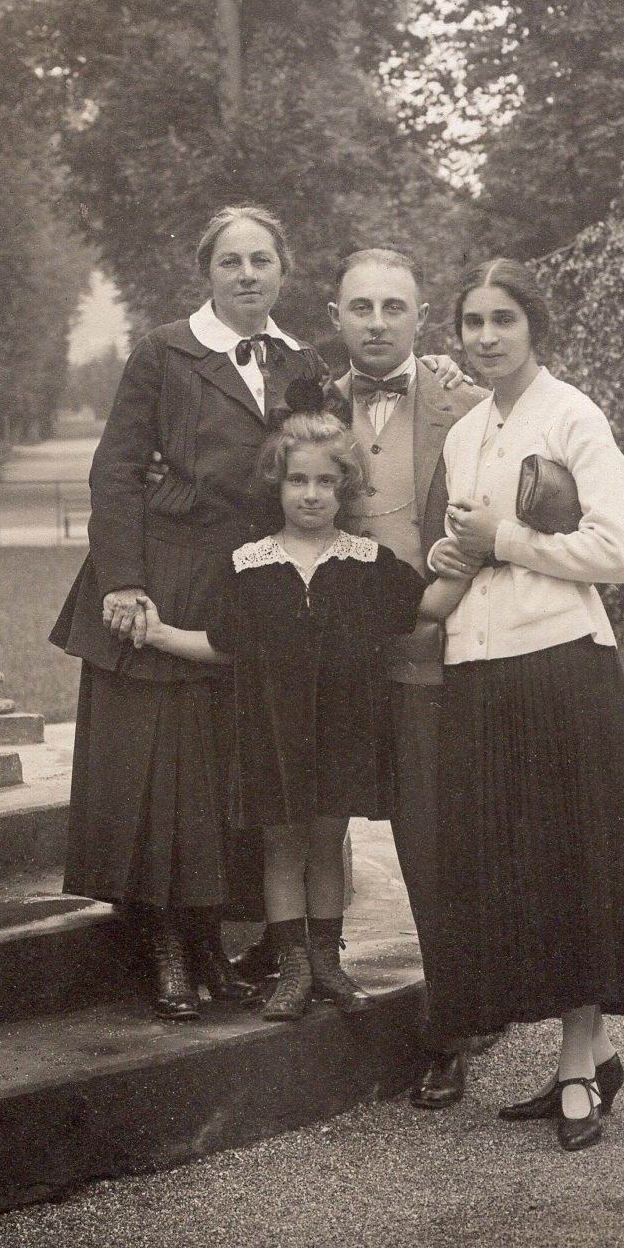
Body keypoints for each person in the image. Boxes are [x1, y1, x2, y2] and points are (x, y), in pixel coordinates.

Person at [52, 205, 466, 1022]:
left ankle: (240, 941)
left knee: (237, 772)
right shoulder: (165, 351)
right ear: (207, 271)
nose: (246, 275)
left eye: (261, 261)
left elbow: (326, 450)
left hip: (258, 588)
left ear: (283, 272)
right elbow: (116, 471)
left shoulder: (300, 361)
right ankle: (169, 944)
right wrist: (126, 582)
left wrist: (439, 375)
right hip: (166, 580)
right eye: (230, 261)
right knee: (160, 774)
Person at [426, 257, 624, 1152]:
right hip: (478, 667)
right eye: (473, 322)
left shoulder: (572, 415)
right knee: (514, 867)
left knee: (571, 864)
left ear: (534, 328)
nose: (485, 337)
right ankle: (590, 1053)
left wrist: (504, 537)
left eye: (502, 321)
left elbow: (613, 552)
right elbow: (467, 549)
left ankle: (573, 1070)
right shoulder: (464, 434)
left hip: (562, 663)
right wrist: (457, 561)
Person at [134, 401, 467, 1020]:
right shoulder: (250, 565)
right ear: (277, 484)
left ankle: (327, 965)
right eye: (297, 480)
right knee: (282, 847)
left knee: (327, 839)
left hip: (343, 731)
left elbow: (429, 607)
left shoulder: (366, 563)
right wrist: (156, 634)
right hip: (272, 736)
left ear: (345, 488)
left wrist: (468, 558)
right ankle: (291, 971)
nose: (311, 494)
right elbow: (220, 646)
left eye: (325, 481)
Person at [327, 248, 487, 1107]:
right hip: (333, 660)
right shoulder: (308, 402)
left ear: (420, 317)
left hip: (427, 652)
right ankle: (305, 970)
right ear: (335, 315)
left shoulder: (466, 400)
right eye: (361, 306)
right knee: (315, 818)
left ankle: (451, 1025)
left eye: (394, 306)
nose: (377, 321)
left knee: (430, 841)